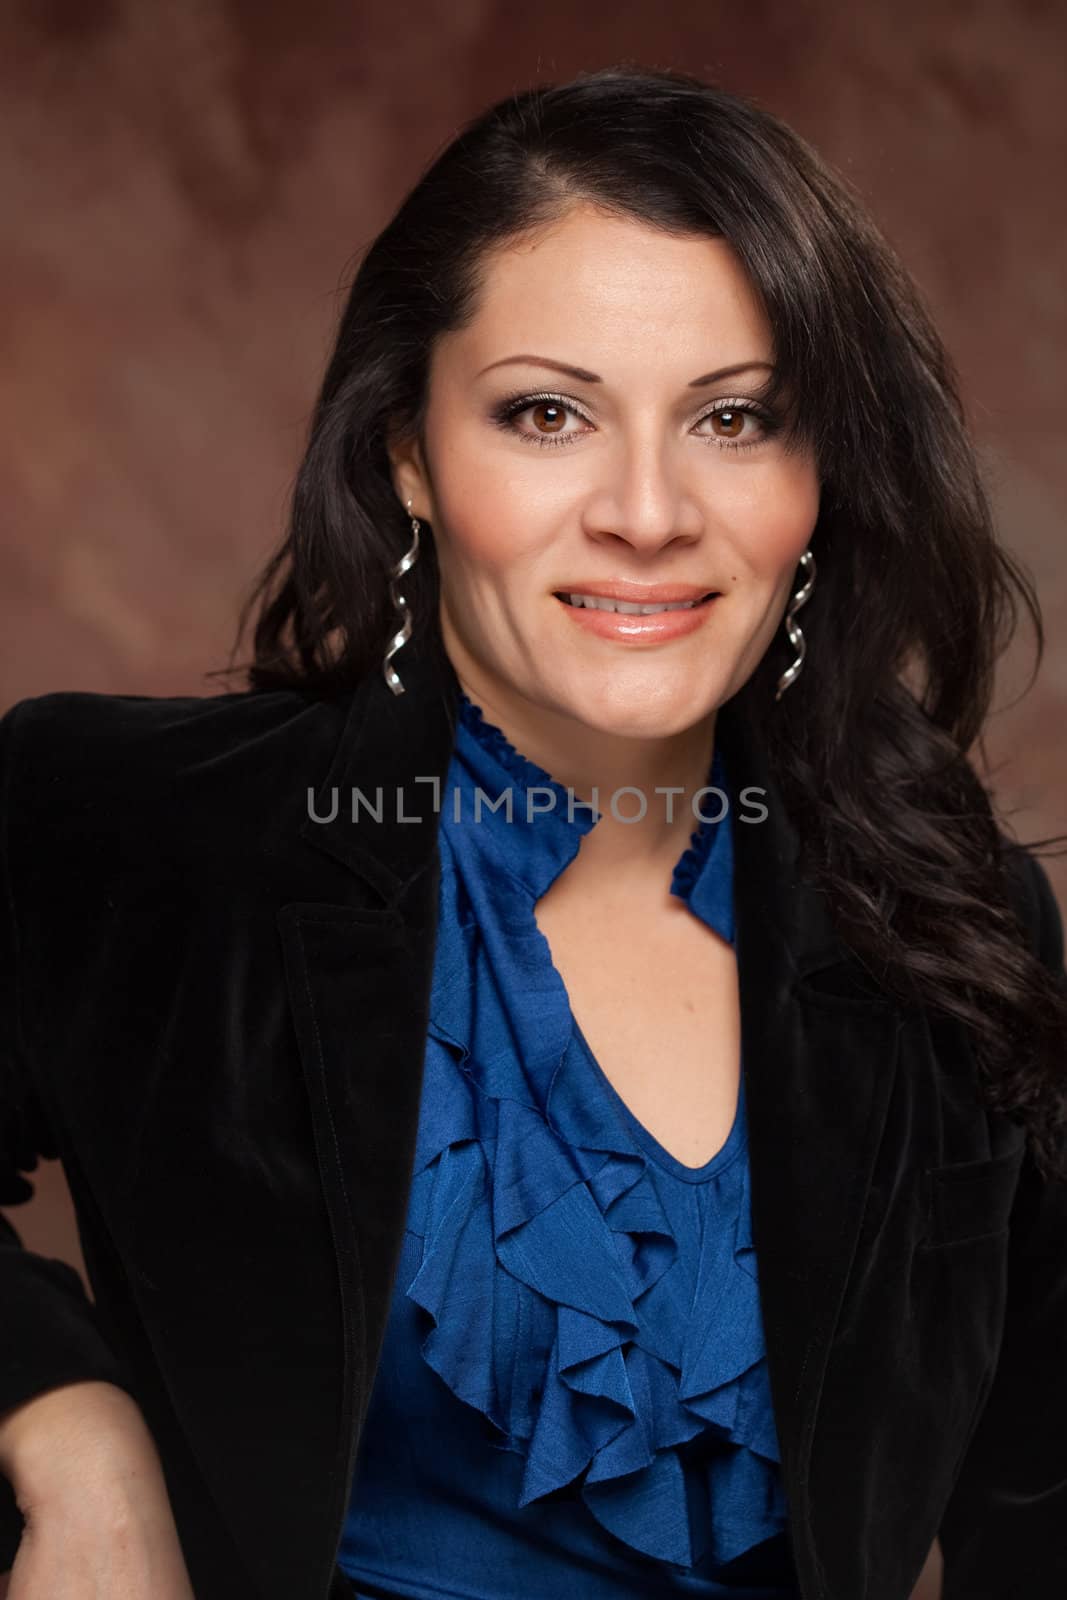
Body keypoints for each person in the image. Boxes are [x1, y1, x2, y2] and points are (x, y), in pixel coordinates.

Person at [0, 62, 1065, 1600]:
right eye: (548, 412)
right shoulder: (132, 831)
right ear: (410, 457)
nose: (647, 509)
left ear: (819, 483)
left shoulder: (956, 918)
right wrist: (71, 1435)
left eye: (736, 419)